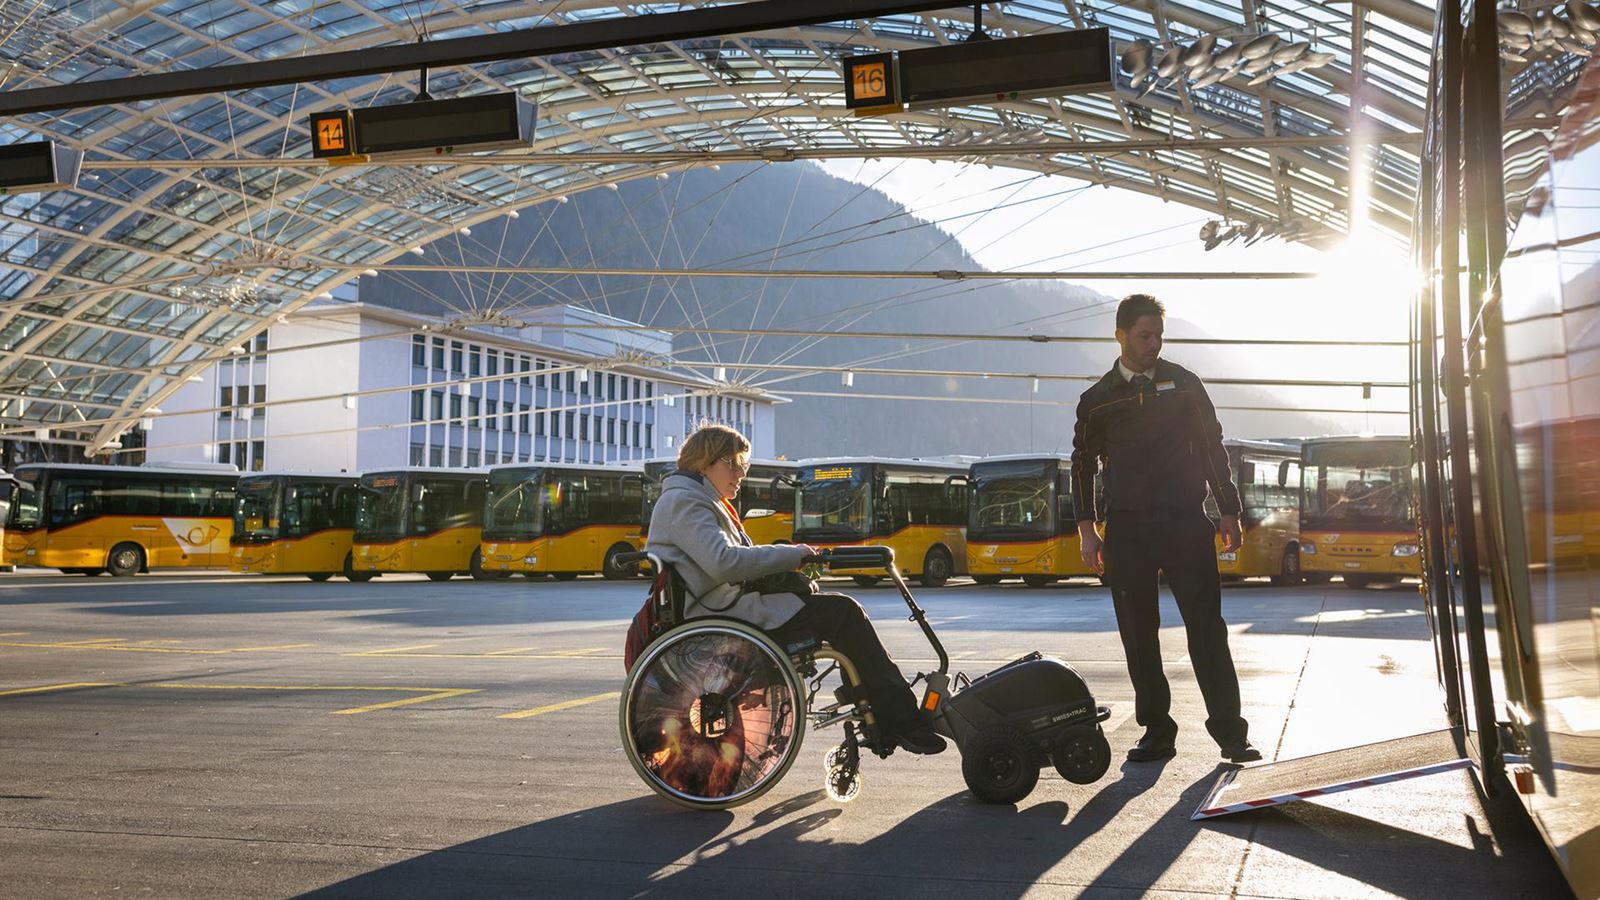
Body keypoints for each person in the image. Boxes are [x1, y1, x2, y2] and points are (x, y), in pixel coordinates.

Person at [645, 423, 945, 755]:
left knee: (837, 614)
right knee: (844, 613)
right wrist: (792, 555)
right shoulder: (685, 503)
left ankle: (882, 714)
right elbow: (725, 562)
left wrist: (792, 559)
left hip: (723, 607)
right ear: (705, 461)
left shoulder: (693, 499)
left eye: (743, 465)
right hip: (723, 615)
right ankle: (899, 720)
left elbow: (726, 561)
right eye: (733, 463)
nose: (741, 473)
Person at [1069, 294, 1261, 764]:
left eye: (1158, 335)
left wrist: (1229, 510)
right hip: (1128, 531)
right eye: (1144, 335)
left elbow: (1213, 449)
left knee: (1207, 629)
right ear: (1121, 336)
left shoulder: (1185, 385)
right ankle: (1157, 731)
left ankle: (1231, 734)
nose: (1154, 344)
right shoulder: (1097, 400)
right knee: (1138, 633)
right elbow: (1081, 466)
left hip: (1184, 524)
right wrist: (1087, 531)